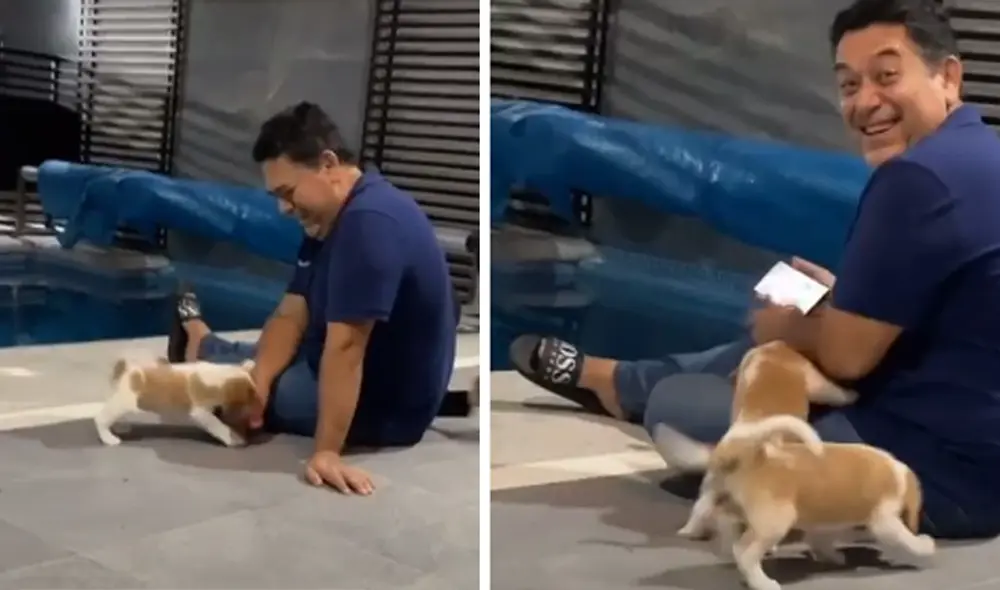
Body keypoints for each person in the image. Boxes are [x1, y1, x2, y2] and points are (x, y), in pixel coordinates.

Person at [511, 0, 1000, 539]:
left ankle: (633, 389)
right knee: (777, 343)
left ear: (948, 76)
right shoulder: (980, 156)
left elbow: (847, 358)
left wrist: (788, 326)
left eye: (886, 76)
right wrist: (834, 305)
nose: (865, 102)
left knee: (687, 406)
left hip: (942, 478)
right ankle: (618, 380)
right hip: (963, 434)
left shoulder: (916, 181)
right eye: (848, 84)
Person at [168, 101, 463, 495]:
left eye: (288, 193)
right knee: (257, 370)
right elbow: (292, 314)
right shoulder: (332, 218)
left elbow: (346, 348)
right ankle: (204, 344)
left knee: (228, 394)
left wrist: (327, 452)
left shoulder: (368, 224)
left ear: (327, 164)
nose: (283, 208)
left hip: (382, 410)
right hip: (348, 368)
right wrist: (260, 380)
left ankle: (199, 348)